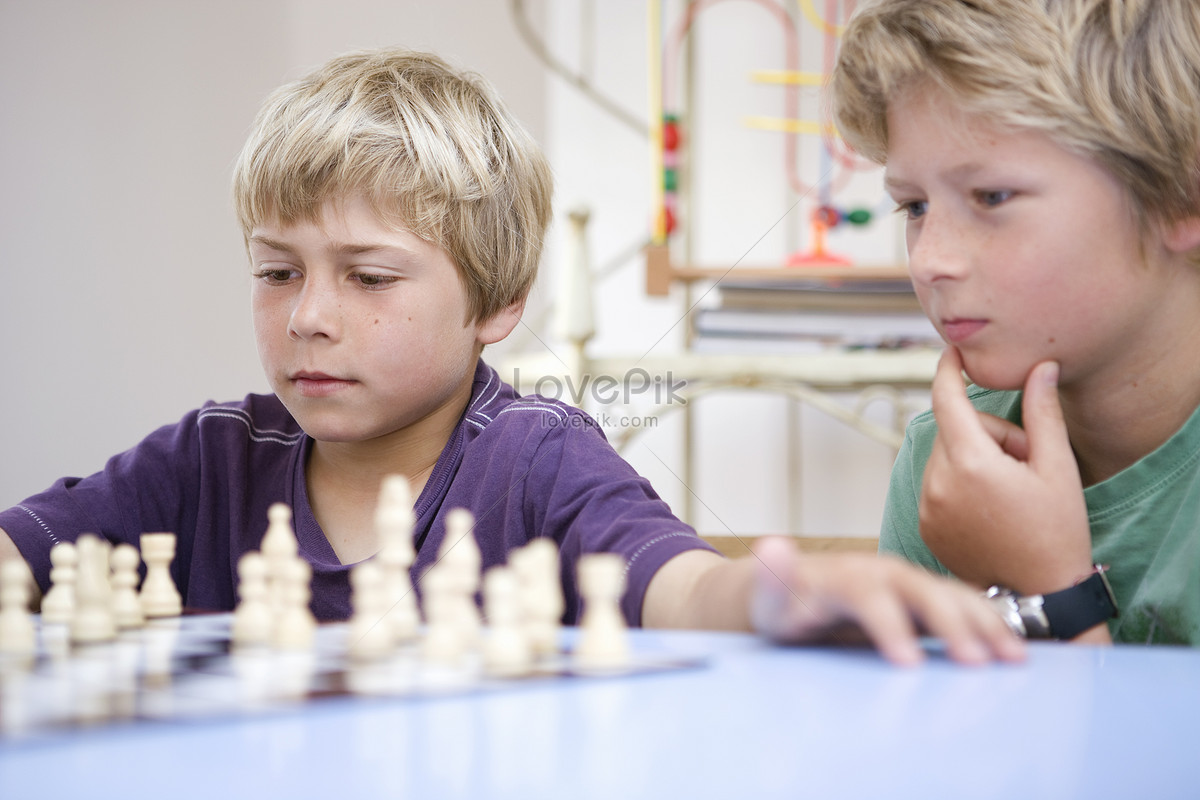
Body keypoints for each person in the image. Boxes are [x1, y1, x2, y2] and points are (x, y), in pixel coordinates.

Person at [0, 47, 1021, 665]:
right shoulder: (206, 458)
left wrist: (769, 594)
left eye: (369, 275)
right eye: (276, 272)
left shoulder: (539, 457)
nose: (310, 315)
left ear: (496, 305)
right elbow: (24, 553)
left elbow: (673, 582)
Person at [831, 0, 1200, 644]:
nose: (930, 263)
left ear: (1181, 195)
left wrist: (1051, 591)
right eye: (914, 206)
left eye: (992, 196)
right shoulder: (948, 467)